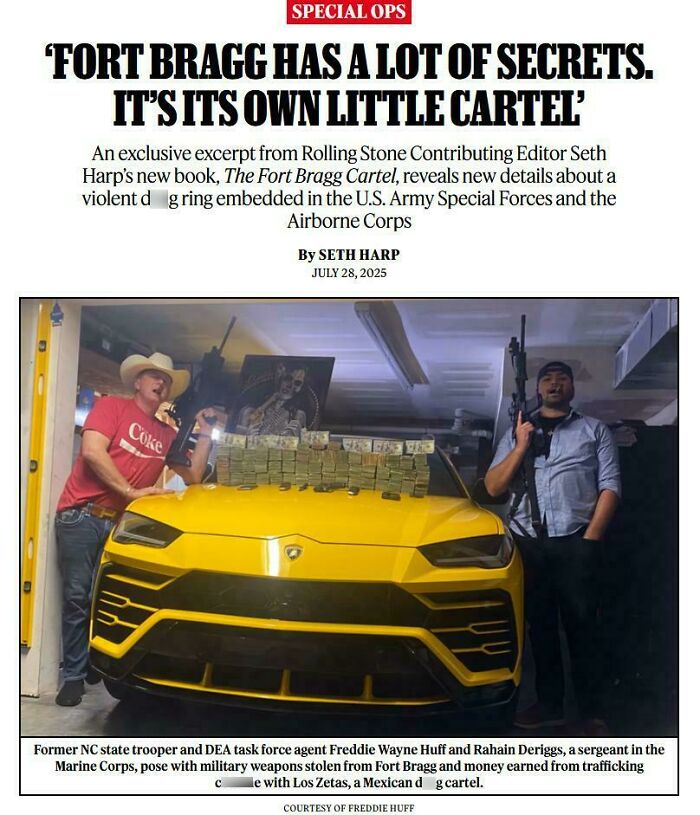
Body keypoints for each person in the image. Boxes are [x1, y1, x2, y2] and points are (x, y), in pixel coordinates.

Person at [54, 351, 217, 706]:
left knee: (105, 601)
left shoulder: (165, 433)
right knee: (78, 598)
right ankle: (73, 676)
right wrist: (129, 491)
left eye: (167, 380)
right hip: (81, 515)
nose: (161, 382)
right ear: (138, 382)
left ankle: (94, 663)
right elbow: (93, 451)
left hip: (119, 526)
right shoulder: (112, 406)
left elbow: (193, 477)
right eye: (153, 376)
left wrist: (205, 433)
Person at [485, 361, 621, 735]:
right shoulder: (517, 433)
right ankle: (549, 706)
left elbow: (610, 486)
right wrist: (521, 445)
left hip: (577, 541)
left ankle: (592, 712)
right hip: (529, 545)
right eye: (547, 378)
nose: (555, 383)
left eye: (563, 378)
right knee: (540, 629)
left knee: (582, 629)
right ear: (538, 388)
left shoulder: (595, 431)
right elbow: (493, 487)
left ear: (573, 387)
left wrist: (590, 541)